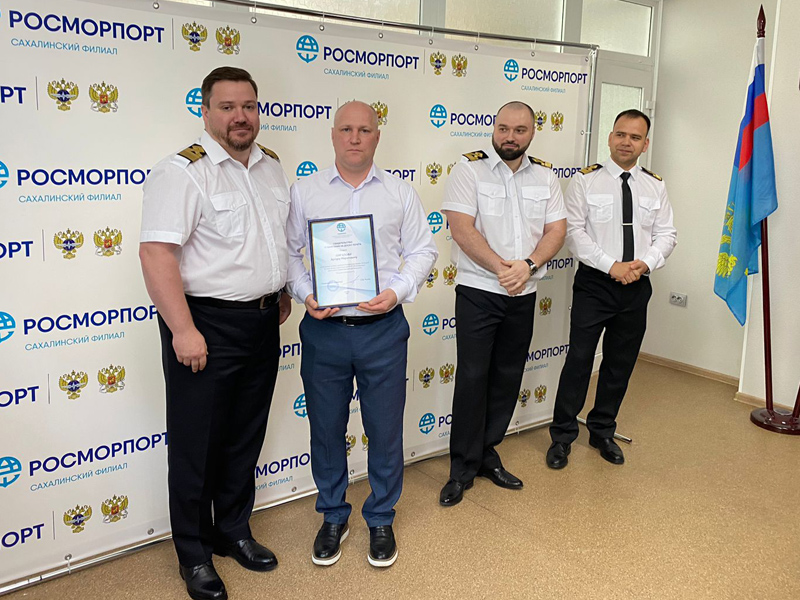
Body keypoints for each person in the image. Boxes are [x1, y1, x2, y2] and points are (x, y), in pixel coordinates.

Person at [139, 66, 292, 600]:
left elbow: (270, 241)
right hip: (204, 324)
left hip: (261, 321)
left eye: (248, 105)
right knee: (195, 445)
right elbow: (157, 254)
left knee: (243, 436)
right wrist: (182, 329)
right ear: (205, 112)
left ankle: (232, 530)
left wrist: (281, 290)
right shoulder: (183, 172)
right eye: (227, 107)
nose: (239, 116)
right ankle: (194, 554)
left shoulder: (271, 166)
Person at [286, 101, 437, 568]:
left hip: (382, 330)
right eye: (347, 129)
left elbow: (423, 251)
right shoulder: (305, 192)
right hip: (325, 330)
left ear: (377, 136)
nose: (355, 138)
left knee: (385, 430)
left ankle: (381, 517)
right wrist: (306, 293)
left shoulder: (400, 193)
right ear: (333, 135)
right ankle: (334, 515)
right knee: (326, 429)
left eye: (365, 130)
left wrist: (396, 292)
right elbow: (289, 253)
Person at [439, 101, 567, 507]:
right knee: (473, 377)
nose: (510, 137)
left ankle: (487, 453)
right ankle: (462, 468)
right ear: (493, 128)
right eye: (503, 128)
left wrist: (528, 266)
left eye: (520, 130)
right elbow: (461, 228)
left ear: (532, 133)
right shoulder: (469, 169)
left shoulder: (545, 176)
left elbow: (556, 229)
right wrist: (502, 268)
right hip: (479, 291)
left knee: (508, 376)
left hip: (523, 293)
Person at [546, 109, 677, 470]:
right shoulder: (586, 180)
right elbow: (574, 233)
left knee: (620, 363)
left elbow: (667, 234)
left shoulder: (655, 185)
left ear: (645, 144)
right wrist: (611, 265)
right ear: (609, 137)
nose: (626, 142)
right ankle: (562, 436)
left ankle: (602, 430)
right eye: (620, 134)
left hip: (637, 286)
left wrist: (644, 263)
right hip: (595, 285)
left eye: (635, 137)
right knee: (579, 361)